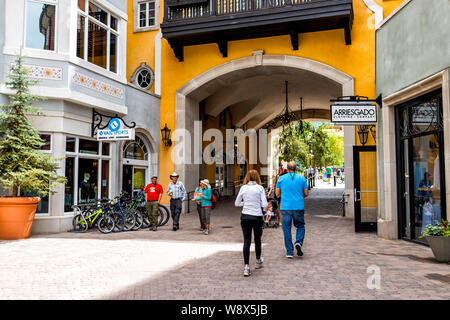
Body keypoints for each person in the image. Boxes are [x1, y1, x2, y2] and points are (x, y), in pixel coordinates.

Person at [235, 170, 268, 277]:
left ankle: (246, 267)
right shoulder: (260, 188)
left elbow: (237, 203)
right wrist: (256, 203)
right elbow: (264, 204)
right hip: (257, 216)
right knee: (257, 239)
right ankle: (258, 261)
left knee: (247, 241)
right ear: (257, 177)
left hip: (245, 216)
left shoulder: (243, 188)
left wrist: (246, 203)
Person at [276, 161, 309, 258]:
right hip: (298, 207)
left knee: (286, 229)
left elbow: (277, 194)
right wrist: (299, 196)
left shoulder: (281, 179)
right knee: (300, 226)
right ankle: (298, 242)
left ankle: (289, 252)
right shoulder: (302, 178)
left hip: (285, 207)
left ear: (287, 168)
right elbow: (306, 193)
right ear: (295, 168)